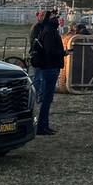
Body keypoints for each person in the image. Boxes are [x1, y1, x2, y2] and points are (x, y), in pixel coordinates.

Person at [29, 7, 66, 135]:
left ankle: (44, 125)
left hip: (50, 67)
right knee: (46, 99)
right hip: (49, 67)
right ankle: (41, 126)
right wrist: (63, 52)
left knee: (47, 99)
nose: (57, 19)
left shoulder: (48, 30)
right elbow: (50, 51)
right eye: (54, 17)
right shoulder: (49, 31)